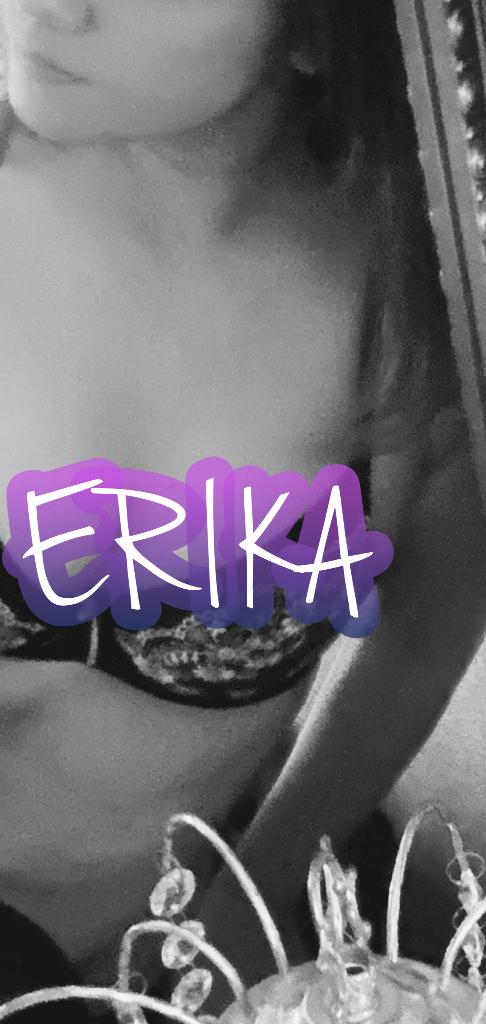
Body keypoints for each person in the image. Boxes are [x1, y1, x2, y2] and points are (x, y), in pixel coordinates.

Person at [0, 0, 485, 1017]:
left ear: (319, 26)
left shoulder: (425, 326)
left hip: (111, 965)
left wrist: (251, 894)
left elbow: (420, 640)